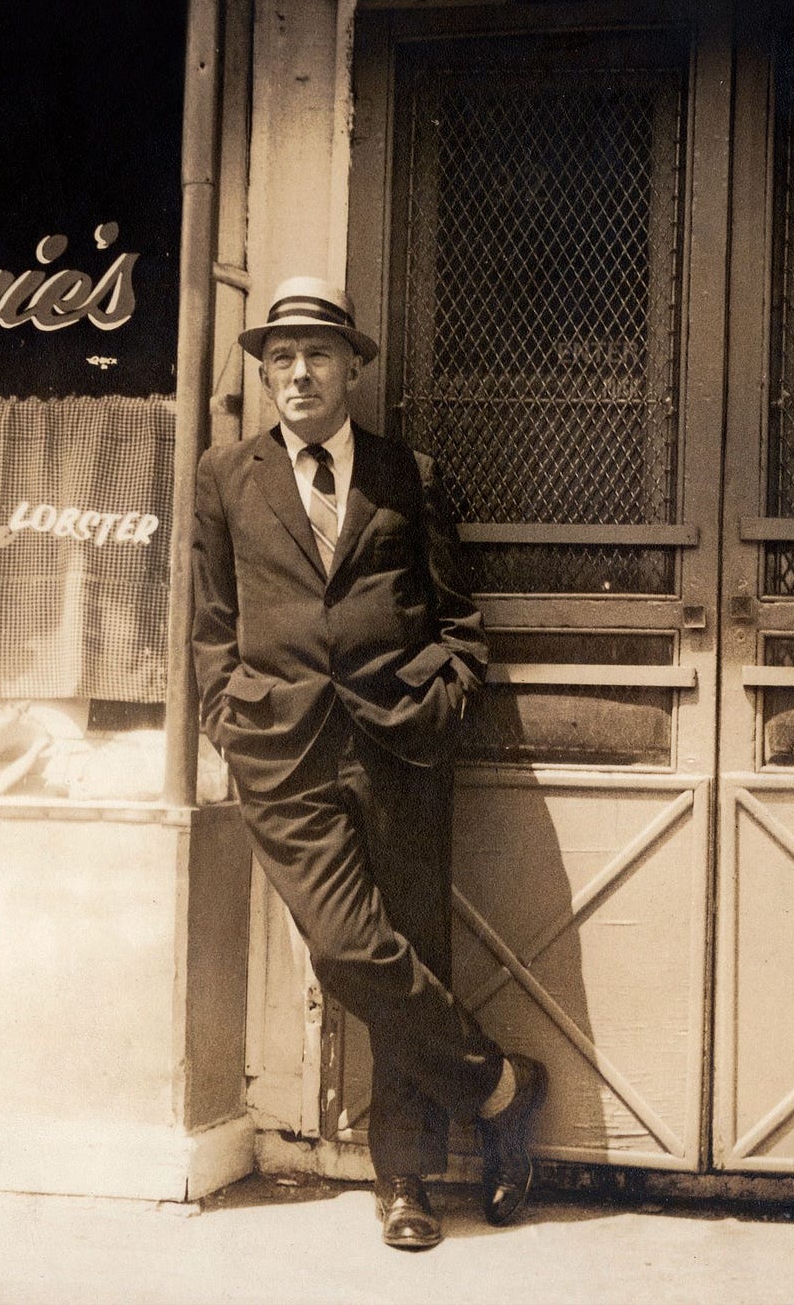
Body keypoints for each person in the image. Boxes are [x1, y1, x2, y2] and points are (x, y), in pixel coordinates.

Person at [191, 276, 547, 1251]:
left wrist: (444, 698)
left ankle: (407, 1183)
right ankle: (501, 1086)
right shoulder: (225, 478)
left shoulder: (410, 476)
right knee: (351, 949)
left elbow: (459, 620)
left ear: (351, 366)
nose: (296, 373)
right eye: (279, 358)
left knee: (412, 946)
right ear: (265, 373)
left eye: (315, 355)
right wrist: (230, 719)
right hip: (283, 752)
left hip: (399, 743)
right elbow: (212, 626)